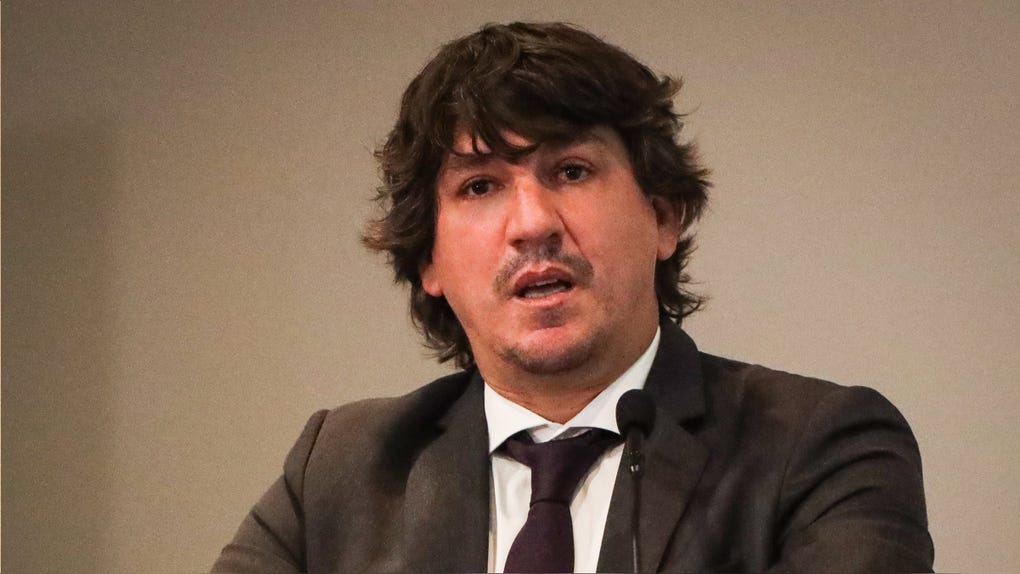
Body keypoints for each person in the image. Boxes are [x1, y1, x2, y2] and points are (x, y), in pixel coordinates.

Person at [212, 22, 933, 573]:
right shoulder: (339, 472)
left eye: (572, 171)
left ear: (663, 216)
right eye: (480, 186)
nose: (532, 224)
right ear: (428, 259)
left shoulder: (820, 448)